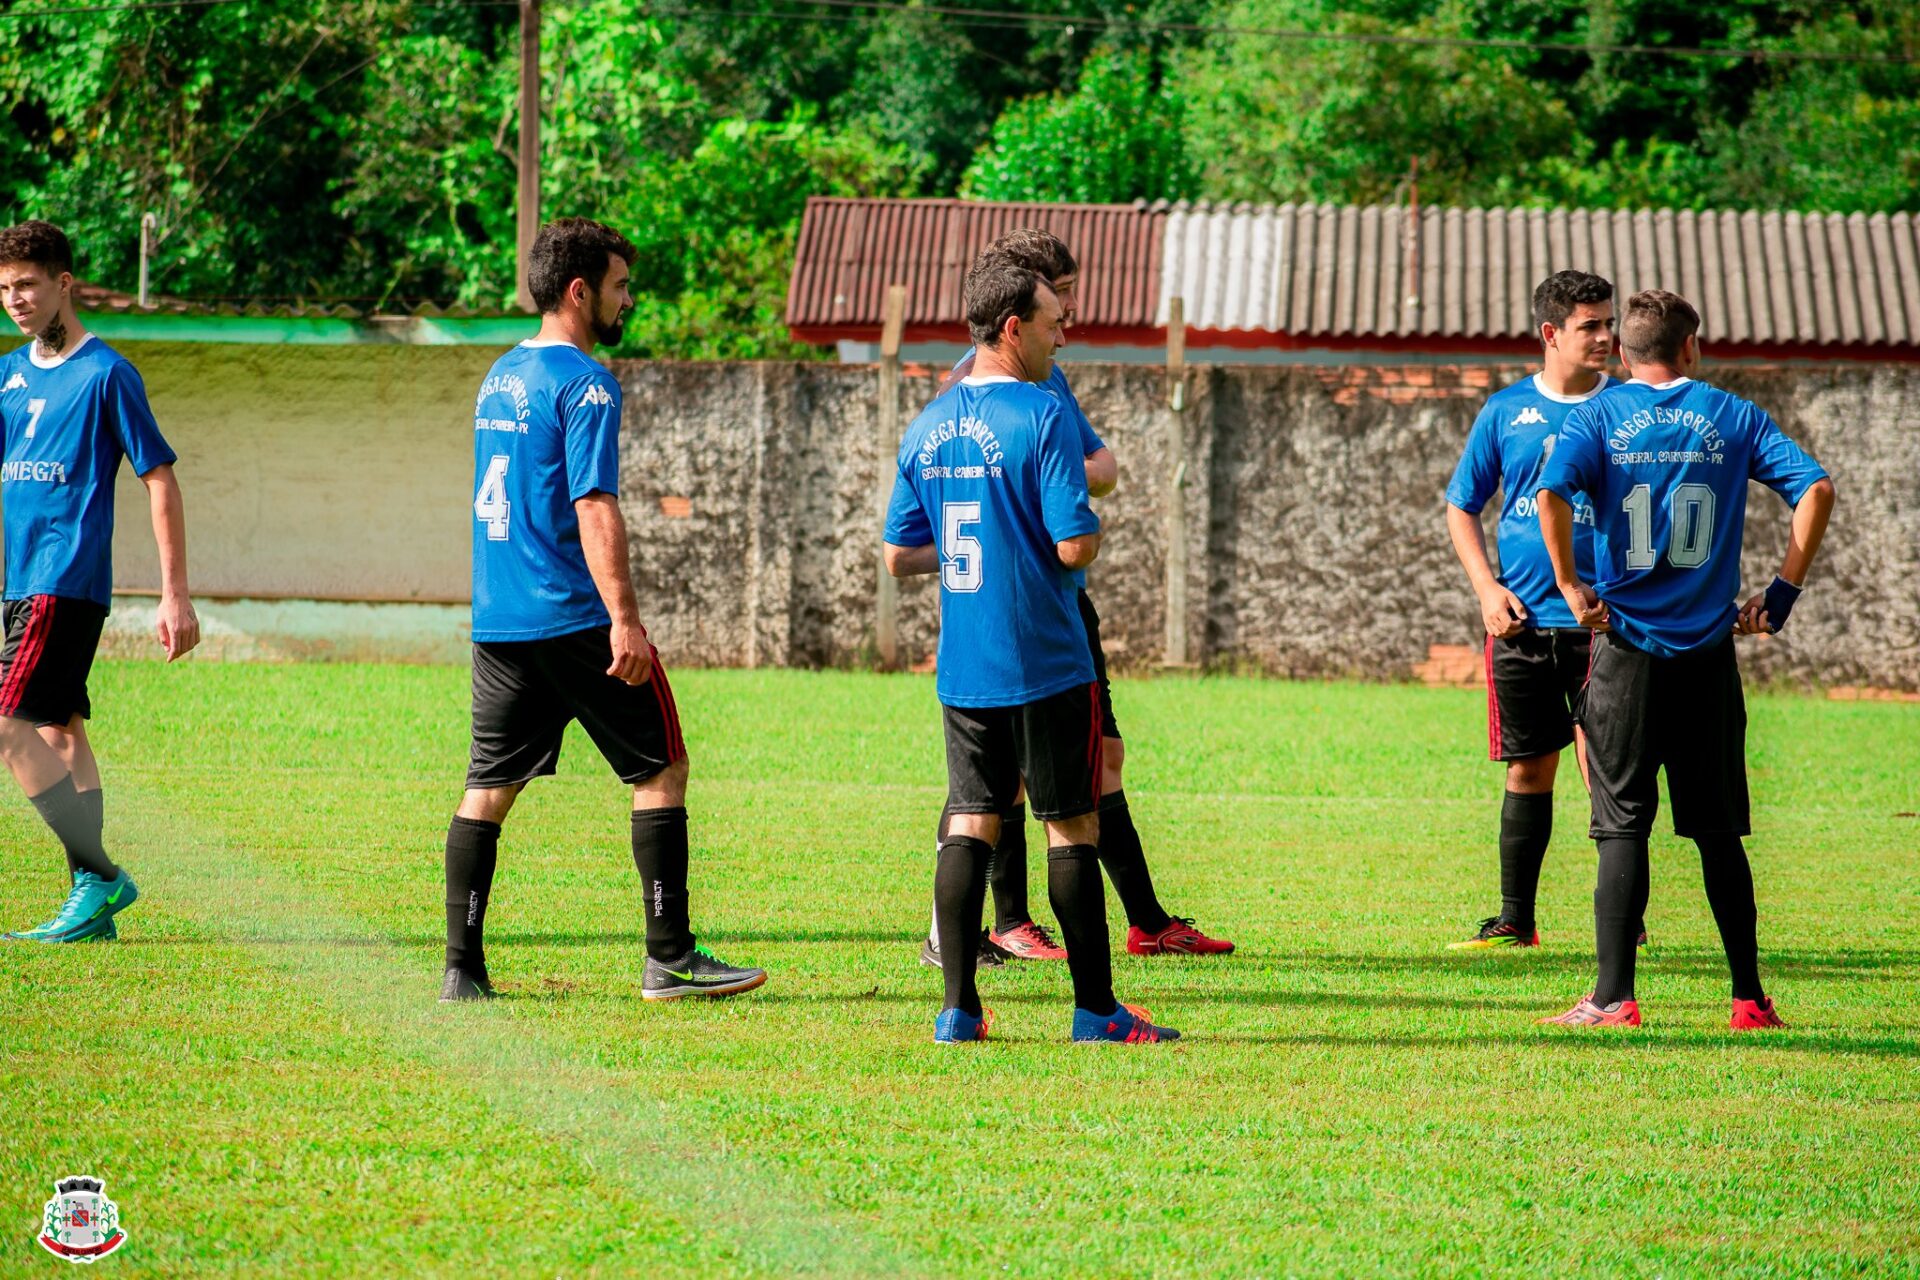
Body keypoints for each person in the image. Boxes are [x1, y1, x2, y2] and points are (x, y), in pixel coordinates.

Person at [440, 217, 764, 1004]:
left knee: (487, 790)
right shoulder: (585, 383)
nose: (628, 300)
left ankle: (462, 968)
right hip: (573, 616)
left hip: (501, 622)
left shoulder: (500, 376)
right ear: (580, 291)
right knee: (662, 767)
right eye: (620, 286)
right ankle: (670, 956)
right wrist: (625, 618)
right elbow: (593, 506)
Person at [917, 227, 1233, 969]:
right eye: (1062, 298)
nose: (1072, 316)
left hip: (1053, 603)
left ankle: (1139, 921)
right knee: (1010, 788)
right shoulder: (980, 385)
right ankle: (1003, 929)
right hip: (1026, 607)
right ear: (1020, 303)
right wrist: (1050, 489)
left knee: (1087, 762)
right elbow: (1072, 500)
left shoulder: (1043, 381)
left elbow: (1102, 462)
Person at [884, 250, 1178, 1044]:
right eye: (1054, 323)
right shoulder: (1041, 413)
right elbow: (1075, 546)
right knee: (1070, 827)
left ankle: (957, 1011)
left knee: (971, 823)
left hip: (963, 665)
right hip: (1045, 659)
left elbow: (899, 554)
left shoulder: (927, 422)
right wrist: (1085, 530)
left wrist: (973, 541)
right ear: (1012, 327)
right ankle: (1096, 1013)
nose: (1063, 336)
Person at [1535, 289, 1835, 1029]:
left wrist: (1572, 588)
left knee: (1621, 826)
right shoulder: (1732, 416)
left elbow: (1549, 493)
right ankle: (1748, 998)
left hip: (1627, 650)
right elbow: (1816, 488)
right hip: (1707, 657)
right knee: (1717, 831)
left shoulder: (1598, 416)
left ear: (1625, 353)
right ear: (1692, 348)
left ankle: (1612, 998)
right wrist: (1781, 592)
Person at [0, 220, 200, 943]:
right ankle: (92, 908)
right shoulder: (7, 375)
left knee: (6, 727)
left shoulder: (107, 373)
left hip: (65, 580)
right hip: (17, 584)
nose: (14, 299)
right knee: (59, 732)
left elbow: (159, 479)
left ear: (63, 284)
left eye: (26, 284)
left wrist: (174, 595)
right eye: (3, 288)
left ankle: (100, 875)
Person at [1443, 270, 1642, 951]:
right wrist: (1486, 589)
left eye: (1610, 323)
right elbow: (1460, 506)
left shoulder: (1632, 408)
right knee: (1530, 767)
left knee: (1608, 768)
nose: (1607, 336)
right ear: (1551, 333)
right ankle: (1514, 920)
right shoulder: (1505, 412)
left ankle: (1624, 918)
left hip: (1609, 627)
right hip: (1523, 626)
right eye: (1591, 325)